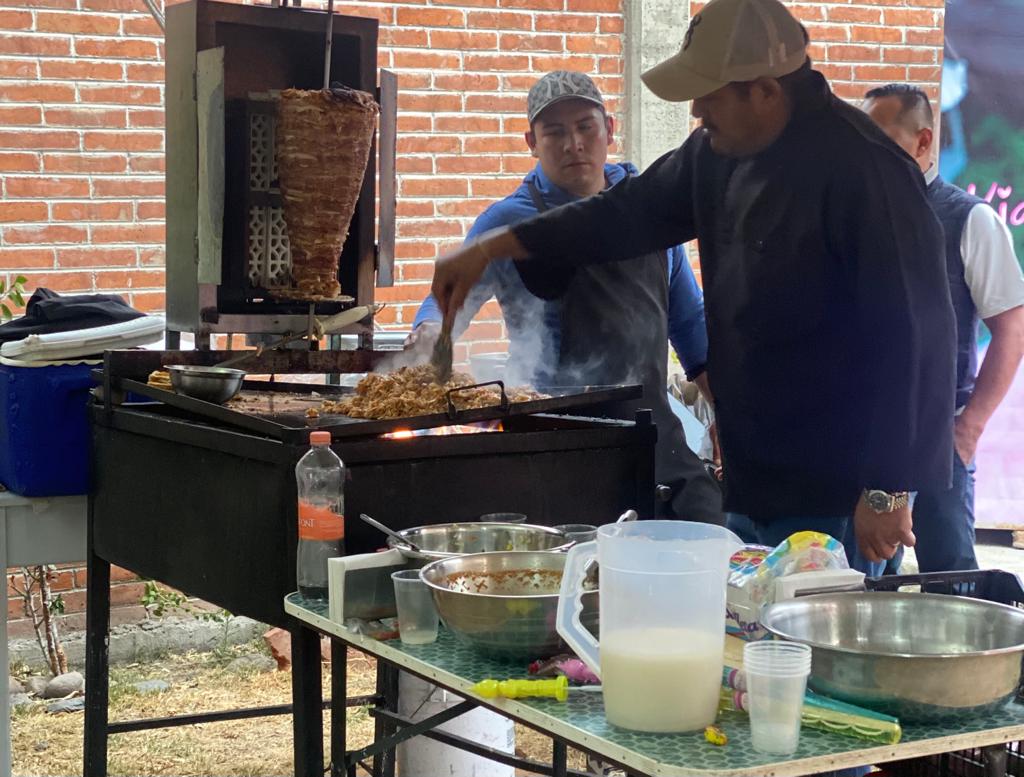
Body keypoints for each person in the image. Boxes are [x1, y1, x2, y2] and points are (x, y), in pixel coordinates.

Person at [429, 0, 958, 575]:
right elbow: (623, 213)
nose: (698, 110)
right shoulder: (717, 152)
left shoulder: (867, 170)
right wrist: (497, 244)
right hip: (754, 475)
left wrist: (887, 489)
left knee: (817, 655)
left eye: (710, 95)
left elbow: (919, 337)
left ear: (764, 91)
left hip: (842, 491)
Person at [412, 71, 723, 523]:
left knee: (710, 536)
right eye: (553, 132)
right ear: (531, 142)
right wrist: (427, 333)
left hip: (650, 430)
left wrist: (726, 419)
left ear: (609, 130)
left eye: (584, 127)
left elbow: (692, 330)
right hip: (551, 437)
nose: (572, 143)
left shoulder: (648, 213)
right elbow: (445, 300)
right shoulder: (507, 221)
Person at [863, 84, 1024, 572]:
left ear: (923, 141)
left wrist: (968, 428)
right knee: (861, 583)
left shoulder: (970, 219)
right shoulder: (857, 216)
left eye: (881, 139)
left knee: (950, 582)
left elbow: (1011, 328)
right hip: (867, 434)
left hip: (941, 432)